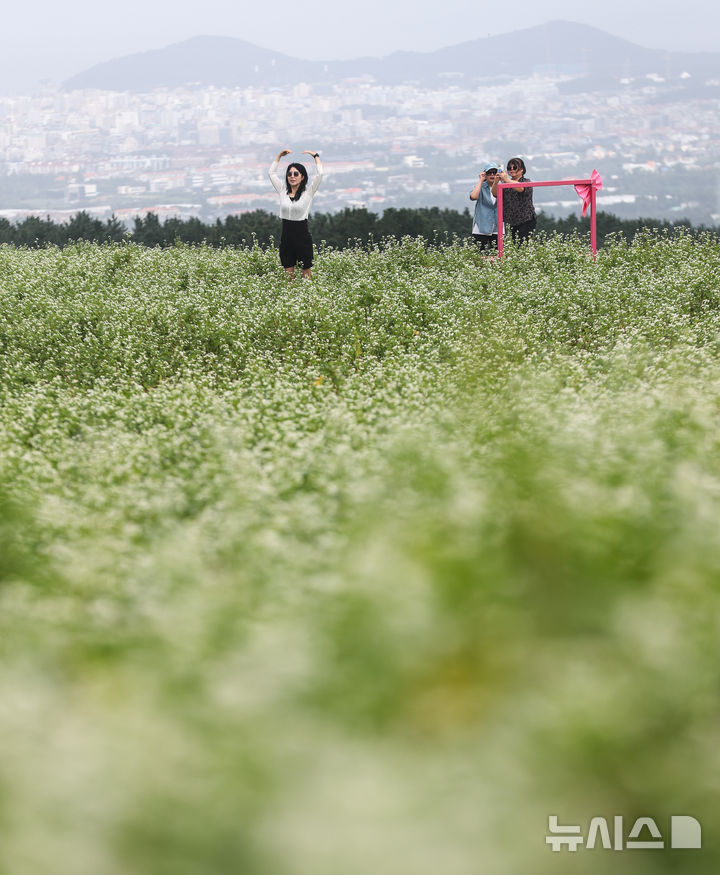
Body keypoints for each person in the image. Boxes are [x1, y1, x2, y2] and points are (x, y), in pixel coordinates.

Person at [268, 148, 323, 279]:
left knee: (306, 276)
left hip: (302, 238)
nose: (292, 176)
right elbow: (271, 173)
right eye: (289, 174)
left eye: (296, 174)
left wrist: (315, 156)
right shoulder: (282, 190)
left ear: (302, 176)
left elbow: (320, 175)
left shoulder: (308, 192)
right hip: (286, 238)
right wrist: (279, 156)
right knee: (288, 277)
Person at [493, 157, 536, 244]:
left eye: (515, 167)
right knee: (514, 246)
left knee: (522, 245)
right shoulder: (506, 183)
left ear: (522, 170)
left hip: (526, 219)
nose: (511, 170)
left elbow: (520, 188)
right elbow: (495, 193)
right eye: (509, 168)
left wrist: (506, 179)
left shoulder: (526, 181)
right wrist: (496, 181)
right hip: (511, 221)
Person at [469, 162, 499, 251]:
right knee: (479, 255)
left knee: (499, 256)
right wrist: (481, 180)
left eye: (494, 172)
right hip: (481, 227)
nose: (492, 175)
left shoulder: (501, 186)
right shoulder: (480, 187)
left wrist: (501, 179)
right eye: (489, 173)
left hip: (497, 227)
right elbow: (473, 196)